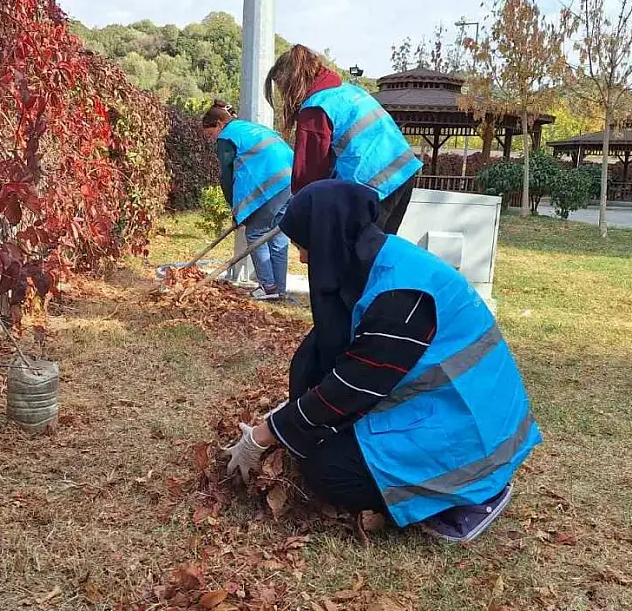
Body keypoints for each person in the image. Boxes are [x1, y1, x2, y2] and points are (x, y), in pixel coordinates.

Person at [224, 180, 541, 543]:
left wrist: (268, 432)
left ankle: (475, 493)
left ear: (327, 236)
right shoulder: (380, 258)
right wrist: (295, 417)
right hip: (442, 406)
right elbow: (346, 360)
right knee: (315, 422)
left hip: (472, 432)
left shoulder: (401, 296)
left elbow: (351, 388)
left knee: (328, 471)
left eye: (304, 246)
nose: (303, 259)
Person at [264, 45, 422, 234]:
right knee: (379, 252)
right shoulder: (349, 91)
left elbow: (309, 176)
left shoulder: (315, 107)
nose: (283, 96)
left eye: (282, 88)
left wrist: (301, 216)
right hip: (403, 172)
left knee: (352, 256)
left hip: (374, 184)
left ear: (292, 82)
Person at [203, 100, 292, 300]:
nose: (212, 139)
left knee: (255, 233)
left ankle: (268, 288)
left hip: (271, 182)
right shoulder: (249, 127)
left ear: (219, 124)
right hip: (290, 180)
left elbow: (226, 176)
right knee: (276, 236)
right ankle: (279, 290)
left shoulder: (227, 136)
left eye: (210, 134)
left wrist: (235, 209)